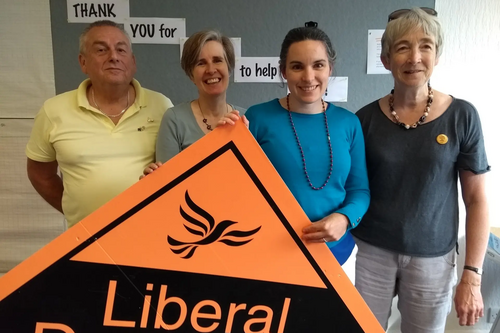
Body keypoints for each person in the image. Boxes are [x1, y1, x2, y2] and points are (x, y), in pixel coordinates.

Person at [352, 8, 490, 332]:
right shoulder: (364, 120)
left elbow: (478, 199)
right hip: (371, 253)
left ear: (437, 55)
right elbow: (350, 187)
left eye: (425, 46)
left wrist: (472, 273)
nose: (415, 57)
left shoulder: (462, 116)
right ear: (386, 60)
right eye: (402, 47)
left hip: (433, 259)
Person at [221, 24, 370, 266]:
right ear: (283, 71)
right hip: (270, 252)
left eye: (318, 65)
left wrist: (343, 218)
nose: (308, 77)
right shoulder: (258, 118)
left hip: (336, 255)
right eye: (297, 66)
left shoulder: (349, 123)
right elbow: (235, 186)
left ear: (330, 68)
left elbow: (359, 191)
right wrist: (226, 141)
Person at [26, 20, 173, 228]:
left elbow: (176, 170)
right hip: (85, 240)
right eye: (101, 50)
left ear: (132, 62)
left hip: (149, 234)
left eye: (121, 49)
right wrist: (75, 210)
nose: (113, 56)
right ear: (83, 62)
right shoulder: (53, 111)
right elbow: (40, 174)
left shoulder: (161, 105)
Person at [143, 30, 244, 176]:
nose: (210, 70)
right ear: (191, 75)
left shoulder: (246, 119)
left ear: (229, 69)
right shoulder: (175, 120)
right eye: (201, 63)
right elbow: (167, 183)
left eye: (217, 60)